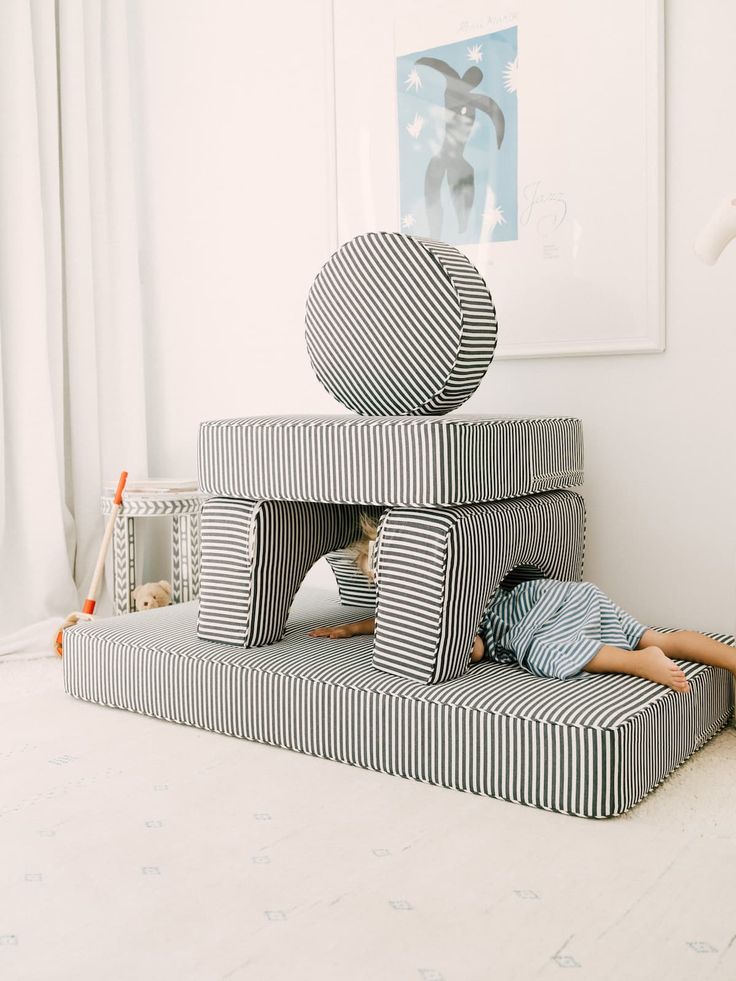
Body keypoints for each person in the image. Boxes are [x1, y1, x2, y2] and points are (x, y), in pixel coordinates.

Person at [308, 516, 736, 691]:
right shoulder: (469, 577)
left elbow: (470, 648)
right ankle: (729, 658)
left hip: (534, 620)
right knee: (657, 635)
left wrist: (467, 648)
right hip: (568, 595)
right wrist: (352, 628)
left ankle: (640, 663)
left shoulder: (454, 611)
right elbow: (387, 621)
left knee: (544, 654)